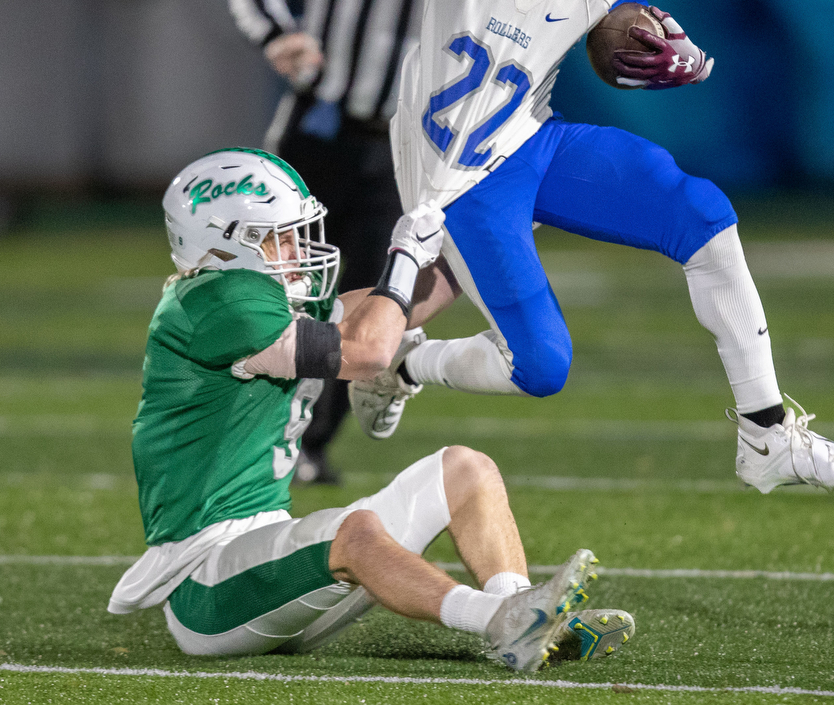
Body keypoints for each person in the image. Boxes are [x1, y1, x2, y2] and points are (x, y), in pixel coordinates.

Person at [300, 0, 834, 494]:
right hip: (459, 167)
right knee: (541, 367)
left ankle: (766, 433)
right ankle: (404, 362)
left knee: (703, 213)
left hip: (532, 133)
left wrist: (665, 51)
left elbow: (607, 35)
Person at [107, 147, 634, 669]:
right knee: (356, 532)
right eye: (279, 236)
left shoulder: (254, 296)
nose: (296, 247)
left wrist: (485, 233)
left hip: (272, 558)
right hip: (207, 583)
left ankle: (523, 618)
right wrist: (404, 257)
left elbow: (398, 308)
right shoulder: (218, 303)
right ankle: (497, 617)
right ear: (225, 245)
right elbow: (367, 351)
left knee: (466, 470)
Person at [228, 0, 474, 484]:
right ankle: (243, 430)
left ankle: (305, 443)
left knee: (373, 293)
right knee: (276, 279)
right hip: (323, 128)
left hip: (405, 149)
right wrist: (280, 34)